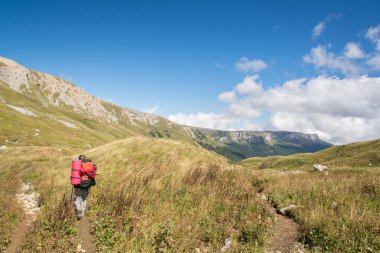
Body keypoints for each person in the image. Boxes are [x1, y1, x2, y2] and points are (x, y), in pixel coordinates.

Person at [73, 154, 96, 220]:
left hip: (79, 185)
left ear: (79, 159)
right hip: (87, 185)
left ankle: (79, 210)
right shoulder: (89, 165)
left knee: (77, 198)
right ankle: (82, 213)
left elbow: (75, 176)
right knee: (84, 198)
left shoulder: (78, 166)